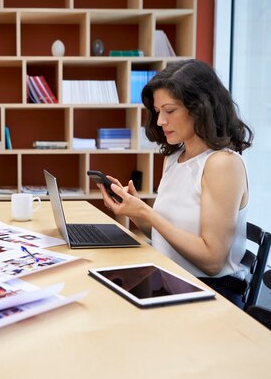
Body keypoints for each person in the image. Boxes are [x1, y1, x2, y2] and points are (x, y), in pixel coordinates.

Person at [97, 59, 253, 308]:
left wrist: (147, 212)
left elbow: (212, 261)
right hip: (170, 278)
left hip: (210, 293)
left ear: (201, 108)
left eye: (169, 111)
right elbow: (163, 238)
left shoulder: (222, 164)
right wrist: (136, 213)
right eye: (158, 112)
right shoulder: (174, 159)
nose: (160, 121)